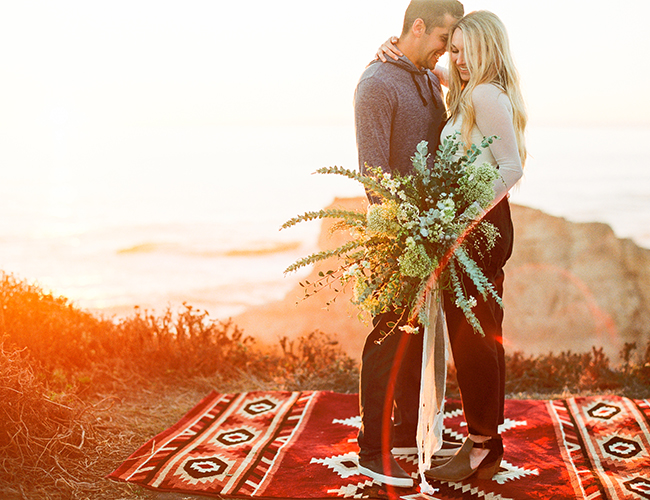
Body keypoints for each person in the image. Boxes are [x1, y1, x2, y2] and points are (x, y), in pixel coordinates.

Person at [379, 10, 526, 483]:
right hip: (480, 224)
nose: (454, 59)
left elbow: (511, 168)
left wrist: (462, 218)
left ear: (485, 50)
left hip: (479, 226)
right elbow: (430, 65)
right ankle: (485, 440)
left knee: (475, 336)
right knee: (480, 331)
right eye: (452, 48)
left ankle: (483, 446)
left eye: (463, 51)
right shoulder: (478, 89)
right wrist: (394, 52)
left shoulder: (483, 95)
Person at [353, 0, 464, 488]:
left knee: (418, 336)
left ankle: (402, 430)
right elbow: (373, 172)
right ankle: (371, 449)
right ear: (418, 27)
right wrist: (403, 235)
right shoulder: (376, 84)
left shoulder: (422, 74)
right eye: (443, 39)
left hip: (430, 226)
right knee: (387, 336)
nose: (446, 50)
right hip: (397, 231)